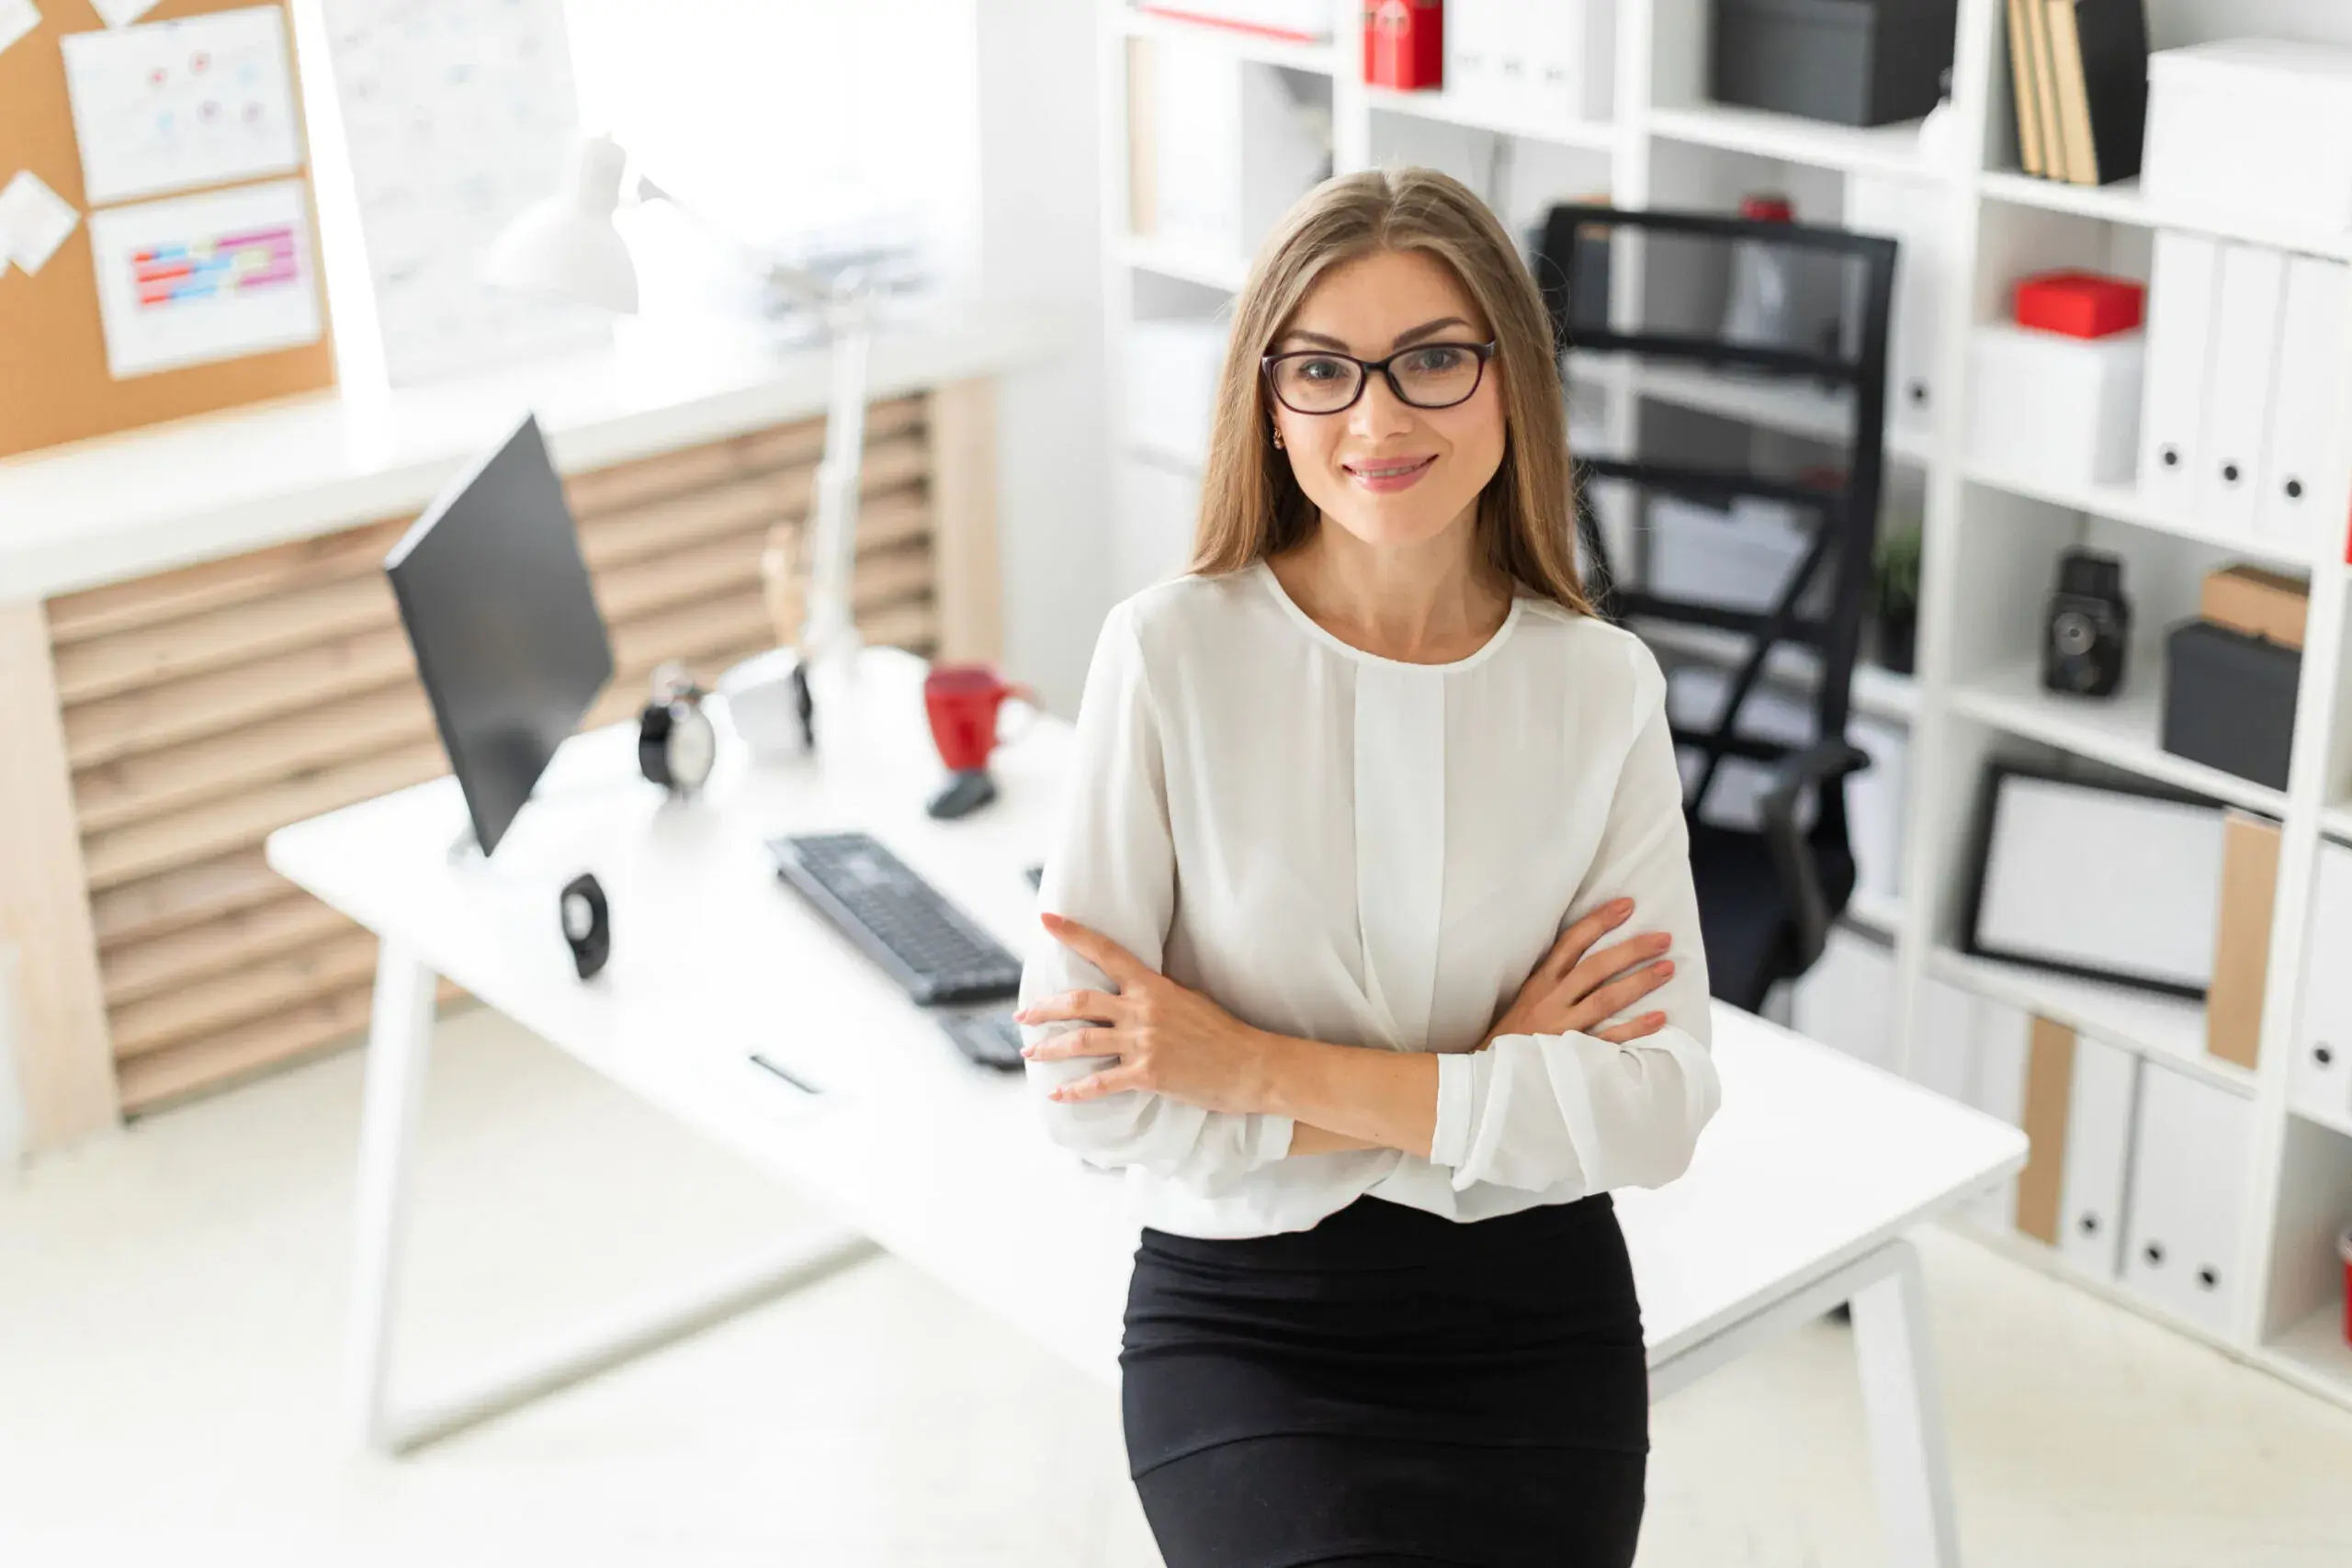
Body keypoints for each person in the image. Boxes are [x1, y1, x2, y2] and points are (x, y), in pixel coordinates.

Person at [1015, 166, 1720, 1568]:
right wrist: (1489, 1072)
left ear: (1510, 381)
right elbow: (1093, 1104)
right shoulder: (1168, 657)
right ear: (1269, 407)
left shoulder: (1600, 688)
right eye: (1324, 370)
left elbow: (1652, 1114)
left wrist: (1252, 1066)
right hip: (1245, 1313)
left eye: (1434, 361)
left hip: (1533, 1313)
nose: (1379, 417)